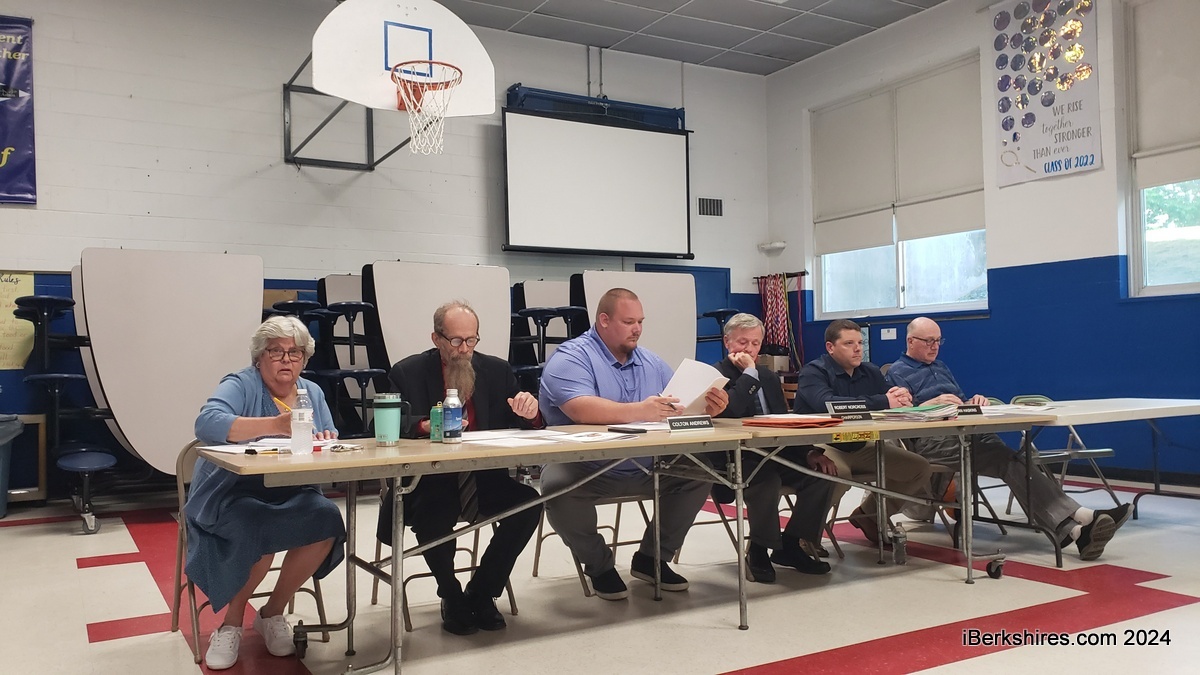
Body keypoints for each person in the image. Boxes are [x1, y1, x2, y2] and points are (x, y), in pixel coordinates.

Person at [885, 317, 1131, 560]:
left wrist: (974, 401)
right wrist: (931, 403)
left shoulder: (941, 367)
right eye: (929, 341)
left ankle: (1077, 529)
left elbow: (959, 402)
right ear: (911, 341)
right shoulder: (897, 372)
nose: (935, 346)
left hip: (965, 431)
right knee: (1008, 460)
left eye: (939, 340)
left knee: (1013, 460)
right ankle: (1083, 517)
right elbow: (899, 416)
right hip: (932, 442)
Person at [538, 288, 729, 600]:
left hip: (644, 464)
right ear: (603, 320)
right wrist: (641, 410)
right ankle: (599, 565)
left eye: (640, 321)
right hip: (586, 466)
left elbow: (677, 406)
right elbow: (580, 408)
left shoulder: (651, 362)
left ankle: (652, 558)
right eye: (628, 322)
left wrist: (708, 408)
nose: (637, 329)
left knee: (698, 473)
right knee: (558, 486)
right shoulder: (570, 358)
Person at [187, 316, 345, 671]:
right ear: (260, 357)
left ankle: (272, 613)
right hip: (232, 492)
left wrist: (326, 439)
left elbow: (328, 435)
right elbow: (206, 423)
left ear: (304, 359)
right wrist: (275, 425)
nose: (286, 359)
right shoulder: (241, 384)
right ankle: (231, 624)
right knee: (256, 525)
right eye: (276, 351)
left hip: (292, 488)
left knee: (326, 517)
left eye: (295, 352)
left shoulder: (312, 393)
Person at [376, 301, 542, 635]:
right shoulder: (407, 372)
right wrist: (423, 425)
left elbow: (525, 420)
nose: (464, 349)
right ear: (436, 338)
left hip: (485, 478)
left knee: (528, 506)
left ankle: (481, 593)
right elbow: (382, 423)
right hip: (428, 481)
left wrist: (531, 412)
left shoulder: (496, 370)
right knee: (434, 517)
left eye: (471, 340)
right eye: (455, 341)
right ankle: (451, 596)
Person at [713, 313, 833, 582]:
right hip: (736, 457)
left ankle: (791, 544)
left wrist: (809, 452)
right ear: (727, 342)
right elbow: (732, 410)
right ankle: (758, 549)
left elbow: (782, 422)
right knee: (767, 481)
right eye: (742, 342)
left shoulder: (767, 377)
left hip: (776, 453)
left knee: (821, 477)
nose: (749, 349)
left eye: (755, 343)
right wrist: (749, 374)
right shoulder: (716, 375)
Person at [793, 319, 933, 544]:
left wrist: (902, 397)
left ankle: (869, 515)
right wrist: (883, 401)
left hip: (860, 444)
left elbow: (891, 397)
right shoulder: (813, 372)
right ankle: (803, 538)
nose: (858, 349)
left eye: (860, 342)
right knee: (835, 475)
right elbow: (827, 404)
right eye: (849, 343)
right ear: (830, 347)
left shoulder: (870, 371)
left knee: (918, 468)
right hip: (825, 445)